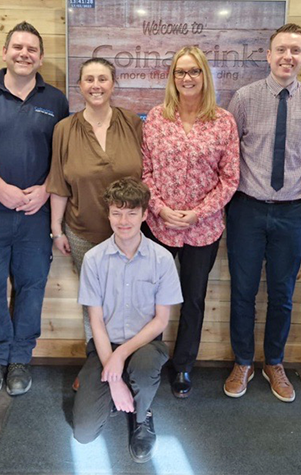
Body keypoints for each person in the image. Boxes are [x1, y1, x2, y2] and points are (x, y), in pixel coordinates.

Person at [0, 21, 69, 397]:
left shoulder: (55, 100)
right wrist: (0, 188)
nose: (24, 54)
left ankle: (20, 358)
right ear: (4, 52)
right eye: (17, 47)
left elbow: (63, 155)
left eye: (32, 49)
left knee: (31, 287)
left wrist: (45, 189)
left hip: (35, 216)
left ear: (40, 57)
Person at [225, 23, 301, 401]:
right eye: (281, 49)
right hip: (246, 210)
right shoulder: (245, 98)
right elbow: (229, 154)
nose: (288, 57)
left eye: (295, 50)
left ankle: (275, 362)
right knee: (243, 291)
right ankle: (242, 362)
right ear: (268, 56)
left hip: (290, 213)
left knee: (283, 293)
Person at [142, 45, 239, 398]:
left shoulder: (223, 121)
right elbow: (145, 171)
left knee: (193, 299)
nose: (187, 78)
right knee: (154, 299)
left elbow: (230, 179)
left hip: (204, 228)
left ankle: (183, 366)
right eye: (180, 72)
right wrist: (161, 208)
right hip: (159, 224)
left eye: (194, 71)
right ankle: (148, 363)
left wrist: (198, 213)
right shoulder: (156, 118)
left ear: (205, 75)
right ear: (172, 77)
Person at [72, 178, 183, 463]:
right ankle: (117, 393)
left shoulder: (162, 259)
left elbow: (160, 321)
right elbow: (95, 321)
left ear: (145, 214)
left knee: (144, 368)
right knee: (83, 433)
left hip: (146, 345)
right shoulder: (94, 260)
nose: (124, 220)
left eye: (132, 212)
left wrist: (121, 356)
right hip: (104, 346)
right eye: (117, 212)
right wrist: (113, 378)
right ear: (108, 214)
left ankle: (142, 415)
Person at [47, 57, 143, 385]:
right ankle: (96, 365)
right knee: (94, 302)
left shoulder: (133, 123)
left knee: (129, 299)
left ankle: (126, 363)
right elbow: (58, 182)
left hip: (129, 234)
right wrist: (56, 228)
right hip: (82, 233)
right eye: (89, 79)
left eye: (103, 79)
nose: (96, 85)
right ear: (80, 86)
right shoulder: (64, 129)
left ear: (114, 84)